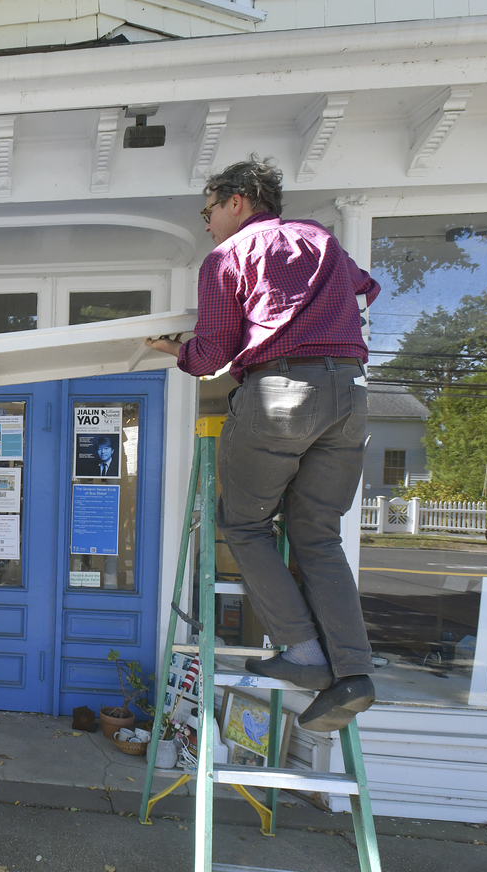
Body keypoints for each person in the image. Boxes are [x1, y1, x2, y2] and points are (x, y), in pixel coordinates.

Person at [146, 156, 382, 733]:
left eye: (208, 211)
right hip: (349, 392)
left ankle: (303, 653)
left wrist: (168, 349)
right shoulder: (318, 239)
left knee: (247, 526)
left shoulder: (228, 256)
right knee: (318, 536)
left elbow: (211, 355)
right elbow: (364, 292)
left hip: (280, 394)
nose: (205, 224)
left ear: (237, 200)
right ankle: (352, 673)